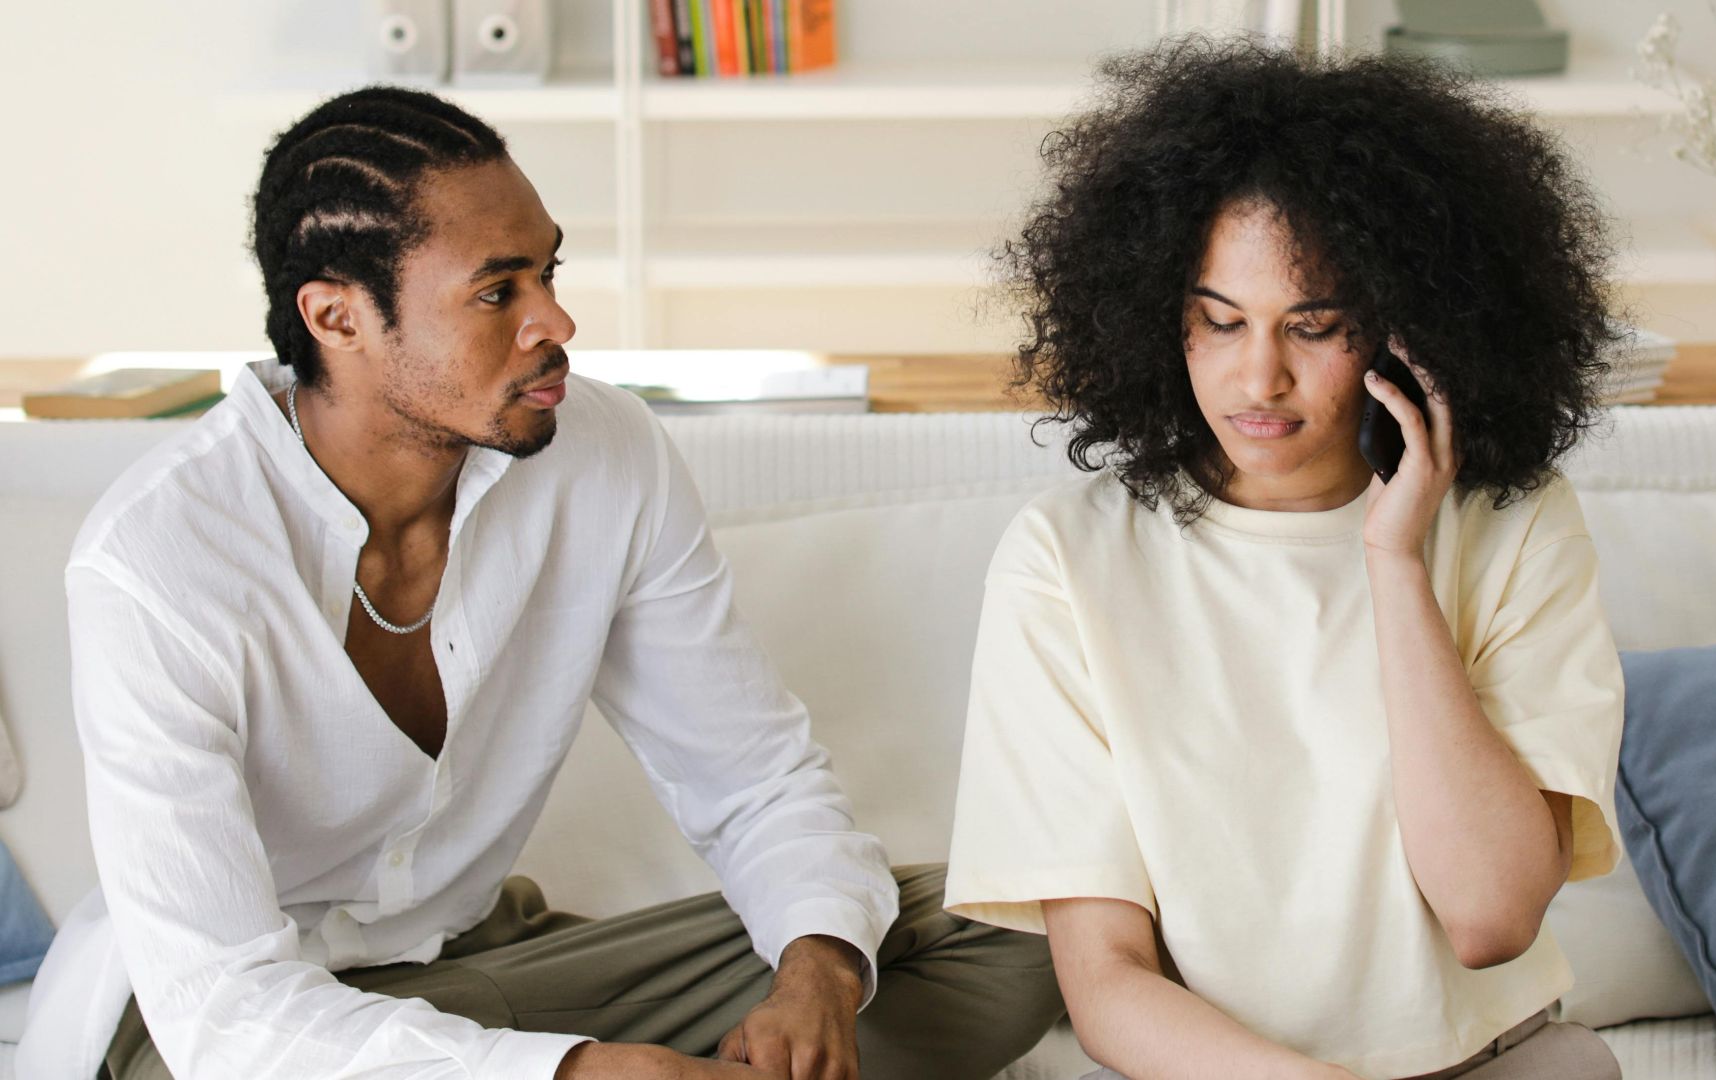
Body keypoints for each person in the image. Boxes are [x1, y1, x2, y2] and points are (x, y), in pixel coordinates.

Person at [19, 86, 1062, 1080]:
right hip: (243, 1038)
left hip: (492, 972)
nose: (555, 324)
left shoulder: (606, 453)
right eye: (497, 291)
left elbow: (749, 779)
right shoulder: (159, 561)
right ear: (337, 318)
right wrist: (572, 1068)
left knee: (1004, 938)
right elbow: (225, 1017)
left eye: (550, 275)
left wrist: (816, 976)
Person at [945, 38, 1628, 1080]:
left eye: (1314, 327)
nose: (1257, 376)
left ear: (1406, 332)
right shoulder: (1067, 558)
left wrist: (1396, 564)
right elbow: (1110, 982)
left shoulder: (1511, 525)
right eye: (1218, 321)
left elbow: (1491, 918)